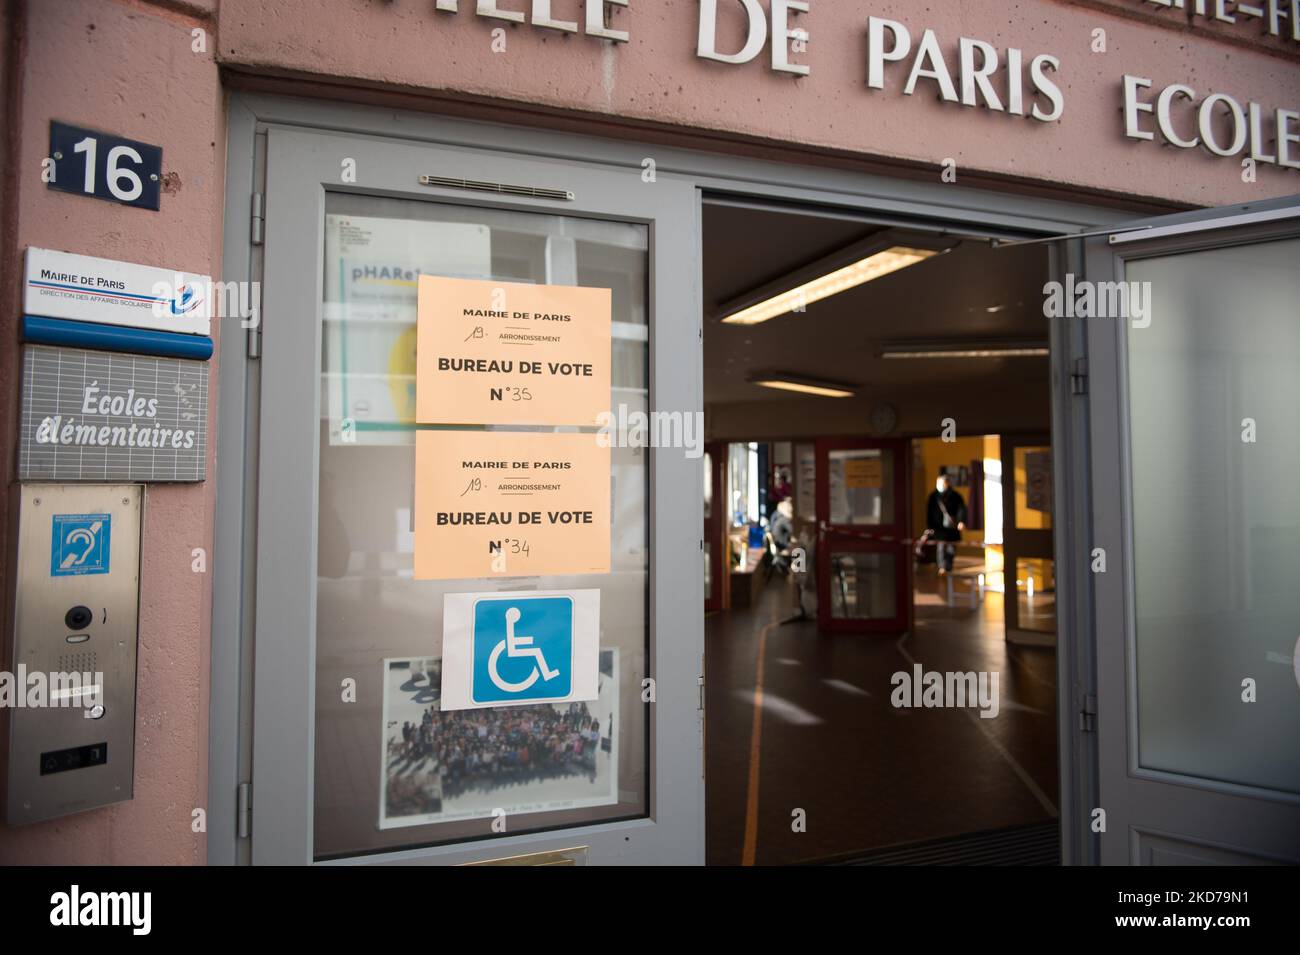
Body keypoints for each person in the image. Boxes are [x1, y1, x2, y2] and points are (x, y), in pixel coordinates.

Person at [926, 473, 967, 576]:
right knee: (941, 547)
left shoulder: (955, 496)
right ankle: (942, 567)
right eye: (938, 483)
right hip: (938, 527)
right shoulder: (933, 497)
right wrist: (930, 526)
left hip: (952, 527)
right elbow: (929, 512)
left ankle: (948, 567)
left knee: (951, 547)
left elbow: (961, 509)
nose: (940, 485)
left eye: (942, 483)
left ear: (947, 483)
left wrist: (961, 521)